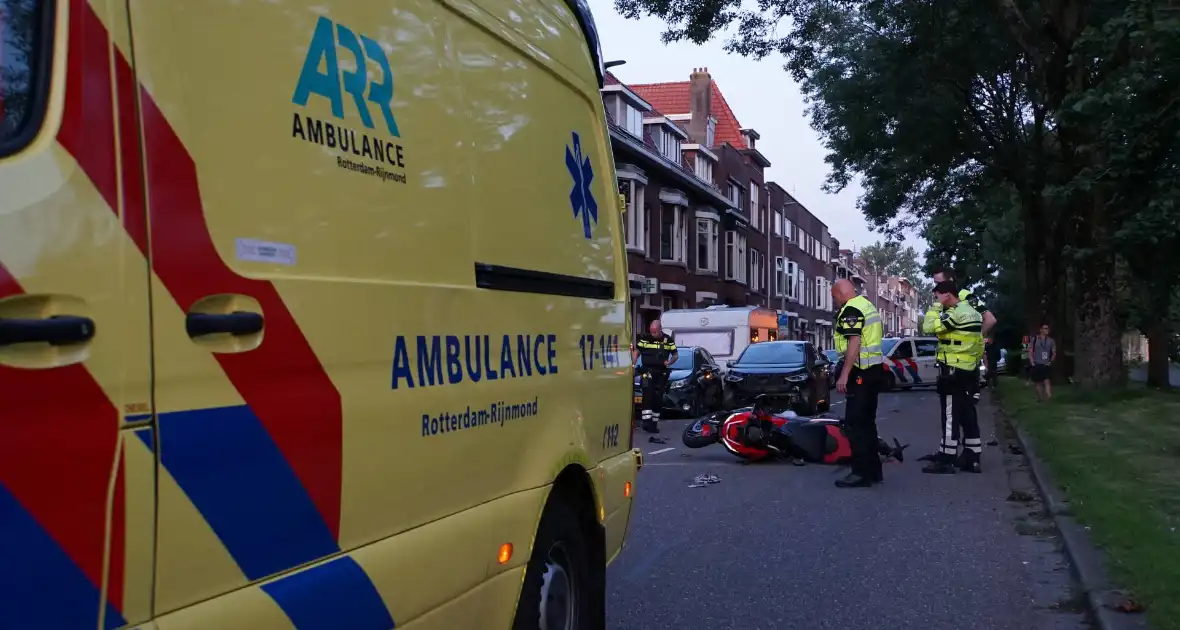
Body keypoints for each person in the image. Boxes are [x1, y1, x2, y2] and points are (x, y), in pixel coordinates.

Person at [922, 281, 985, 474]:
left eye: (937, 296)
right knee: (968, 413)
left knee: (950, 415)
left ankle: (947, 459)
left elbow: (929, 328)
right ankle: (972, 457)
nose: (937, 300)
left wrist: (934, 308)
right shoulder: (973, 312)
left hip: (953, 371)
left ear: (947, 295)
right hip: (969, 370)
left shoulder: (954, 313)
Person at [830, 279, 886, 488]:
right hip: (873, 371)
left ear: (841, 293)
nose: (835, 301)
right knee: (868, 422)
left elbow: (854, 341)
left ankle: (860, 473)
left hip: (860, 372)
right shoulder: (866, 304)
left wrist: (845, 373)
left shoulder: (851, 309)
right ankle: (873, 471)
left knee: (855, 424)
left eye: (834, 297)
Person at [932, 268, 995, 402]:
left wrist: (974, 339)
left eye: (938, 282)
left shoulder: (964, 295)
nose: (935, 287)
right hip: (949, 362)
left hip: (959, 366)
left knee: (956, 408)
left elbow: (990, 319)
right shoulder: (944, 302)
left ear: (949, 281)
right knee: (961, 411)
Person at [632, 320, 678, 433]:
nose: (653, 334)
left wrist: (670, 362)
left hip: (661, 372)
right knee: (648, 395)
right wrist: (632, 365)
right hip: (647, 371)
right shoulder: (645, 339)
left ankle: (654, 423)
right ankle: (646, 422)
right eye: (651, 331)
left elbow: (675, 355)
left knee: (657, 397)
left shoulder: (668, 340)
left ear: (660, 330)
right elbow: (636, 352)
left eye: (655, 332)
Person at [1029, 323, 1056, 401]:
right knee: (1038, 382)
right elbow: (1030, 352)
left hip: (1046, 363)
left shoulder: (1051, 341)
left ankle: (1049, 396)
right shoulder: (1034, 340)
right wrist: (1032, 363)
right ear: (1040, 330)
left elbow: (1054, 352)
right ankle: (1040, 398)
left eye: (1048, 328)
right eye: (1045, 328)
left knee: (1047, 380)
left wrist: (1050, 361)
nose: (1047, 330)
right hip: (1037, 363)